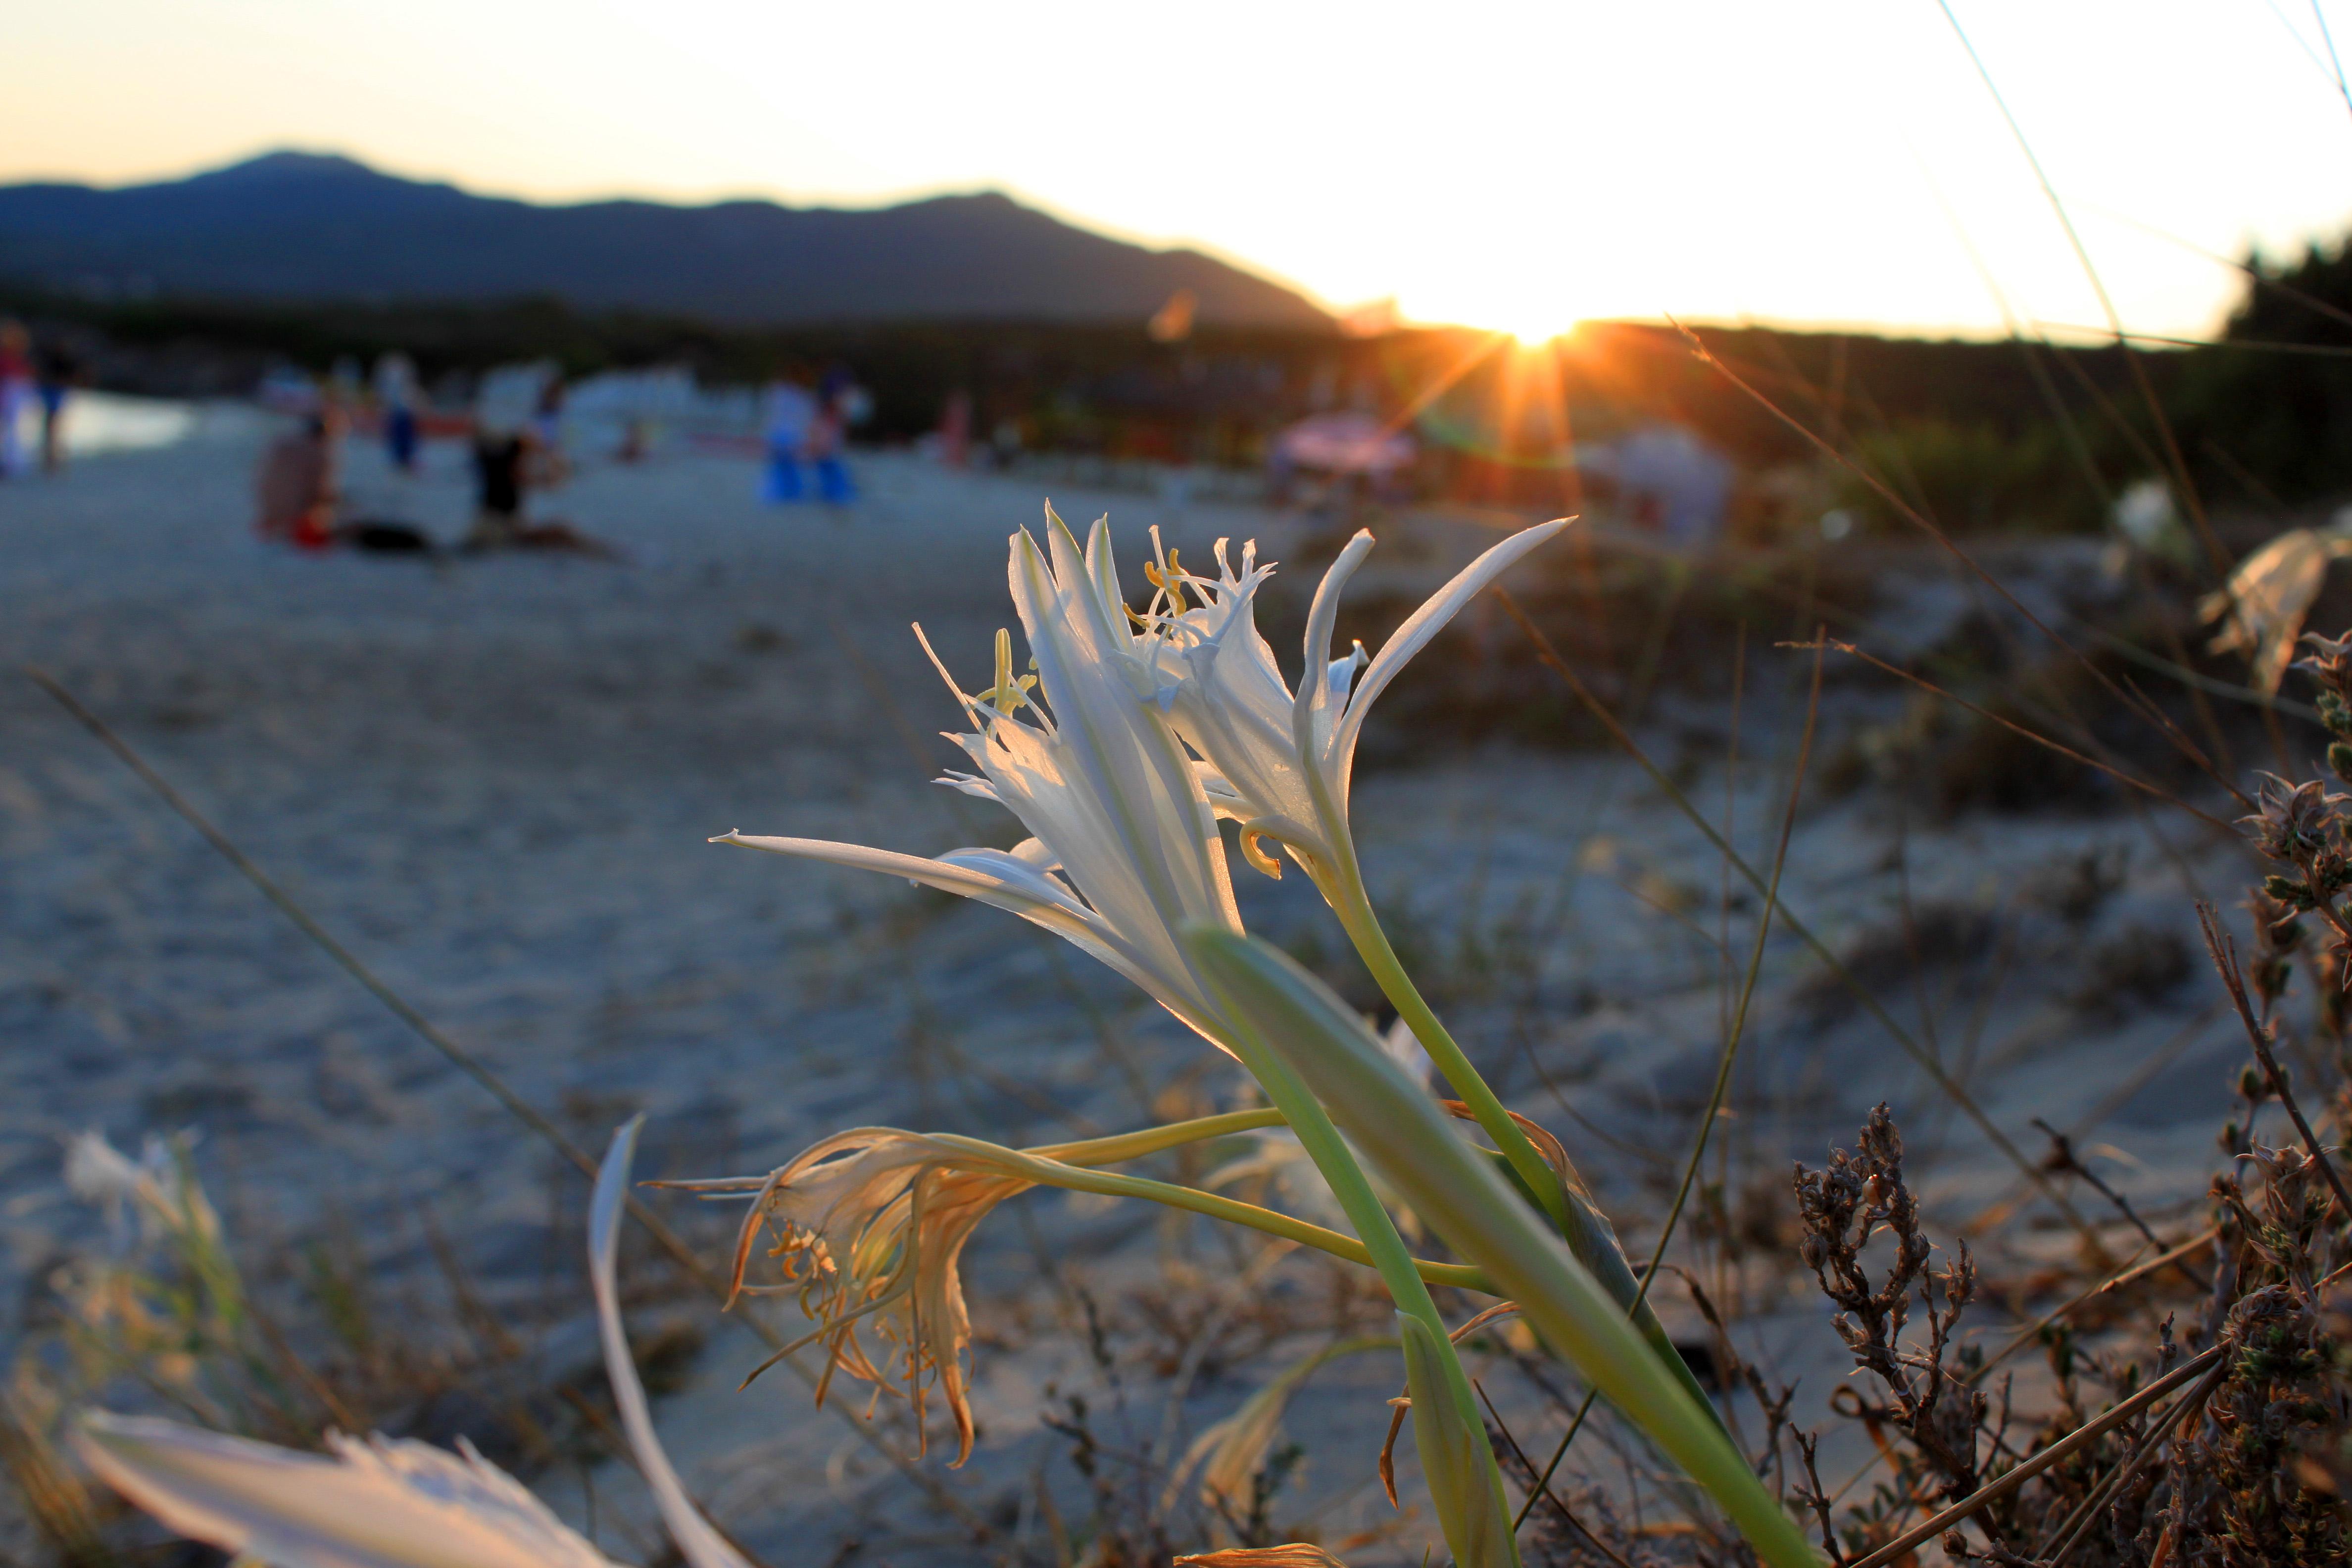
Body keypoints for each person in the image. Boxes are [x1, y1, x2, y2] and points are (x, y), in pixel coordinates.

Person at [255, 407, 345, 549]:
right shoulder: (323, 453)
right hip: (297, 522)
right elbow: (322, 492)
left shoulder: (282, 443)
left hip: (268, 511)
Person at [35, 337, 80, 472]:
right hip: (52, 393)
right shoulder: (53, 360)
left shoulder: (63, 361)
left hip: (57, 393)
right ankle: (52, 460)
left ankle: (54, 460)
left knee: (54, 427)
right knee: (52, 427)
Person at [0, 321, 33, 479]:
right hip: (9, 389)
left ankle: (12, 464)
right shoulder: (10, 357)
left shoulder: (16, 358)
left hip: (12, 390)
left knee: (12, 428)